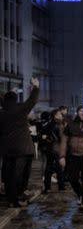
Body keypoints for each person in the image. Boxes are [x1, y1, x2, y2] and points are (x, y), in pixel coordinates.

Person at [0, 79, 40, 207]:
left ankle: (11, 198)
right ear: (15, 99)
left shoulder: (2, 113)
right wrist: (36, 87)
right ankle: (17, 198)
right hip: (22, 148)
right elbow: (32, 101)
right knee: (19, 174)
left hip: (6, 149)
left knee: (8, 174)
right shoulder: (20, 108)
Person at [59, 105, 83, 209]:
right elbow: (64, 141)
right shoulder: (71, 125)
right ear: (77, 112)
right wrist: (62, 156)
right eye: (81, 111)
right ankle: (81, 194)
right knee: (72, 178)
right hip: (73, 156)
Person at [40, 108, 66, 193]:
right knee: (58, 168)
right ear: (55, 115)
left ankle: (48, 187)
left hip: (50, 148)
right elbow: (61, 137)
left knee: (49, 167)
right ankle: (61, 186)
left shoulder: (49, 124)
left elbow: (43, 134)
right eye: (59, 114)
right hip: (56, 148)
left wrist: (47, 138)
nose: (61, 115)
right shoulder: (58, 124)